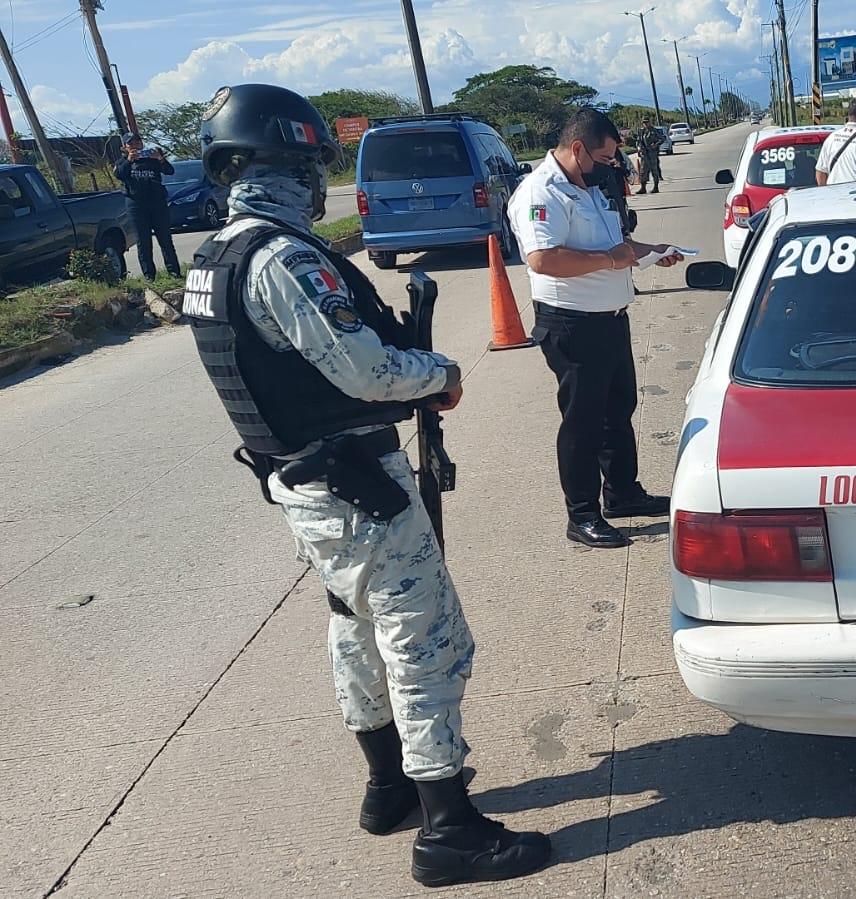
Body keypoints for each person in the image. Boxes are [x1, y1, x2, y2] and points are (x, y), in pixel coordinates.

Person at [184, 83, 551, 887]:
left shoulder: (214, 258)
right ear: (285, 162)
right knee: (426, 642)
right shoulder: (281, 257)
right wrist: (440, 374)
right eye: (313, 162)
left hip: (303, 486)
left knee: (354, 631)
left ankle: (389, 787)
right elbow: (366, 369)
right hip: (352, 486)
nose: (320, 181)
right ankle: (449, 829)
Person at [507, 107, 683, 549]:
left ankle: (623, 493)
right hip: (572, 326)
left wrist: (651, 251)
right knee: (583, 423)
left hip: (610, 320)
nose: (609, 167)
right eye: (603, 159)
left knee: (617, 411)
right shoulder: (539, 193)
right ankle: (581, 514)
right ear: (578, 148)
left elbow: (614, 247)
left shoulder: (587, 187)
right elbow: (543, 260)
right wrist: (611, 261)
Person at [114, 134, 181, 279]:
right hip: (136, 205)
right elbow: (119, 174)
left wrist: (160, 159)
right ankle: (149, 276)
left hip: (157, 203)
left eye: (138, 142)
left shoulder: (152, 158)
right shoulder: (122, 161)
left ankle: (174, 272)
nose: (135, 145)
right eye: (131, 143)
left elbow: (169, 171)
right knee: (143, 241)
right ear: (125, 147)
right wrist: (129, 160)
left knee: (165, 239)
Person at [638, 122, 664, 193]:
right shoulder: (641, 131)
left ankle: (656, 187)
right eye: (644, 122)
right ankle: (643, 188)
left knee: (654, 170)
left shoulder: (654, 130)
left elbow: (662, 139)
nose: (646, 124)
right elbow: (639, 141)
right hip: (644, 154)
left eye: (647, 122)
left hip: (652, 153)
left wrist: (656, 144)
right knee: (643, 171)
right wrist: (639, 148)